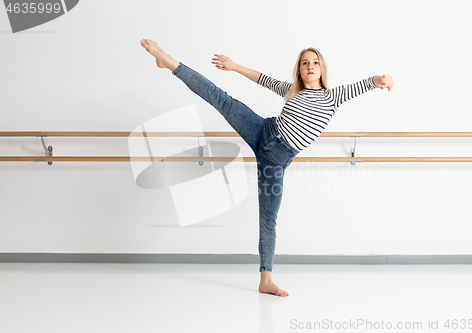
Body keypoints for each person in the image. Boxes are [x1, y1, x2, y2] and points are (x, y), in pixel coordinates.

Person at [140, 39, 393, 297]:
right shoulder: (291, 90)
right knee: (220, 98)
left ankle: (266, 280)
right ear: (299, 69)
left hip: (275, 161)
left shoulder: (331, 97)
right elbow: (262, 78)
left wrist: (382, 79)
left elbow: (365, 84)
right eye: (305, 62)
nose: (310, 66)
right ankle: (169, 61)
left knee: (268, 219)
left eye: (315, 62)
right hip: (261, 129)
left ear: (322, 68)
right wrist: (234, 66)